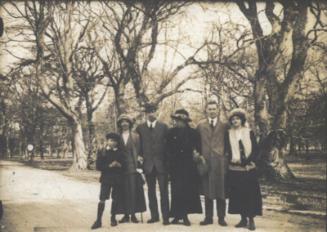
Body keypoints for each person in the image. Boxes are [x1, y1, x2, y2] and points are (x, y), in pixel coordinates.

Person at [224, 108, 262, 231]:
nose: (235, 121)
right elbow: (227, 149)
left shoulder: (249, 132)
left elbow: (256, 149)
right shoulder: (229, 133)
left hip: (248, 168)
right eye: (233, 119)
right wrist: (231, 159)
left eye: (237, 119)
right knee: (238, 194)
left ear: (241, 120)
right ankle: (242, 219)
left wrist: (248, 161)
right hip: (234, 168)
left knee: (249, 194)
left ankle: (251, 219)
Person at [166, 109, 202, 226]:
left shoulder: (193, 133)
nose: (178, 122)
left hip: (189, 166)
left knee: (187, 190)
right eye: (176, 120)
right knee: (176, 190)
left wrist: (196, 155)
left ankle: (185, 215)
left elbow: (198, 147)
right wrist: (170, 162)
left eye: (181, 120)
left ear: (186, 121)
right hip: (175, 166)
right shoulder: (171, 133)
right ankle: (176, 215)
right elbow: (167, 149)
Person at [135, 103, 170, 225]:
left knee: (164, 191)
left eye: (153, 111)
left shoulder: (164, 127)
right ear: (145, 113)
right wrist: (139, 161)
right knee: (151, 192)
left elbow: (168, 147)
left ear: (157, 112)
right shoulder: (140, 128)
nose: (151, 114)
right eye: (149, 111)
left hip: (161, 166)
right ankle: (154, 216)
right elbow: (138, 147)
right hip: (148, 165)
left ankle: (166, 217)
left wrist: (167, 164)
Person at [196, 100, 228, 226]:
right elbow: (196, 143)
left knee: (221, 190)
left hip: (220, 163)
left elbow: (229, 143)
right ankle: (208, 217)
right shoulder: (200, 125)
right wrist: (198, 157)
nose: (212, 111)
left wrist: (225, 157)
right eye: (210, 109)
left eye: (214, 109)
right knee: (207, 190)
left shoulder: (225, 125)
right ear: (206, 110)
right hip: (205, 162)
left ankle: (221, 217)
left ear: (218, 110)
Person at [91, 132, 125, 229]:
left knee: (115, 198)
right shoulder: (102, 151)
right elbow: (98, 166)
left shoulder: (120, 152)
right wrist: (109, 166)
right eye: (111, 140)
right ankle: (98, 220)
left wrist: (119, 165)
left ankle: (113, 218)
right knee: (102, 198)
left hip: (117, 179)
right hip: (106, 178)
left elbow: (124, 166)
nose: (113, 143)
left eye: (115, 141)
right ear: (107, 141)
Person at [117, 114, 146, 223]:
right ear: (120, 124)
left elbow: (139, 152)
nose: (124, 124)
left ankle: (133, 214)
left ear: (129, 123)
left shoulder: (136, 136)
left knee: (134, 191)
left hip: (133, 167)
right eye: (122, 122)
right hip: (121, 168)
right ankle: (125, 214)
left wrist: (139, 166)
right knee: (123, 191)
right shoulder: (117, 136)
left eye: (126, 121)